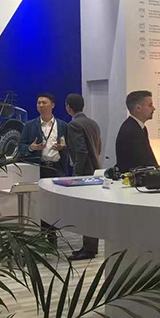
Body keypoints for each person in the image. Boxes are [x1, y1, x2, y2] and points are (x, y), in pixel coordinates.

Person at [18, 92, 68, 242]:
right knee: (41, 202)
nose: (40, 105)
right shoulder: (30, 125)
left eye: (44, 102)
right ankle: (41, 233)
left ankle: (52, 235)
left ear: (52, 105)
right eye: (38, 103)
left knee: (55, 203)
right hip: (39, 168)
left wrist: (63, 147)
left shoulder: (63, 125)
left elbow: (70, 145)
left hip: (57, 168)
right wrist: (31, 148)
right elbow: (21, 146)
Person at [64, 93, 102, 261]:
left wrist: (77, 174)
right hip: (95, 170)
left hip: (84, 173)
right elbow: (98, 147)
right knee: (92, 211)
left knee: (87, 212)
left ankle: (89, 248)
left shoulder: (74, 125)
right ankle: (90, 246)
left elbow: (81, 151)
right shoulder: (93, 123)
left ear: (68, 107)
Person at [115, 90, 158, 173]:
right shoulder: (131, 131)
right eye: (150, 105)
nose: (153, 109)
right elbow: (142, 161)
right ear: (138, 108)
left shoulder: (138, 128)